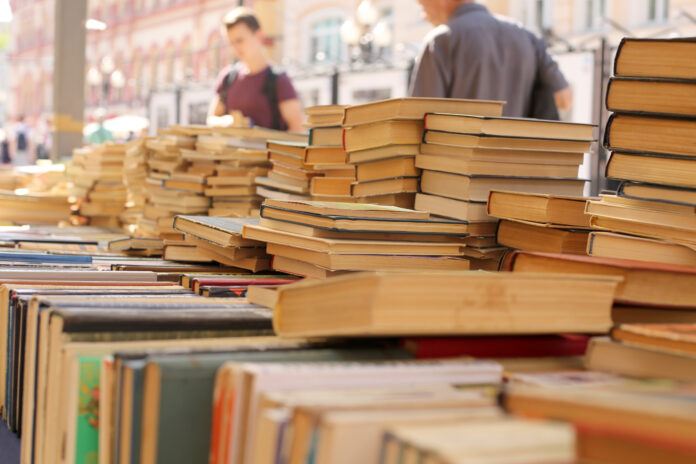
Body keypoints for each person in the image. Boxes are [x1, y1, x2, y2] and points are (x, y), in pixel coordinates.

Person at [410, 0, 573, 119]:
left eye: (422, 5)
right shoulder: (528, 37)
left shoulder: (440, 41)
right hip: (516, 162)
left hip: (457, 164)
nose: (424, 16)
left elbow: (418, 119)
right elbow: (565, 100)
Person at [207, 7, 304, 133]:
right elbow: (210, 120)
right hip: (230, 152)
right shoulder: (228, 77)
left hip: (266, 152)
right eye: (231, 43)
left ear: (259, 36)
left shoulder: (279, 80)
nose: (235, 48)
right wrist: (229, 122)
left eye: (240, 40)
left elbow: (297, 129)